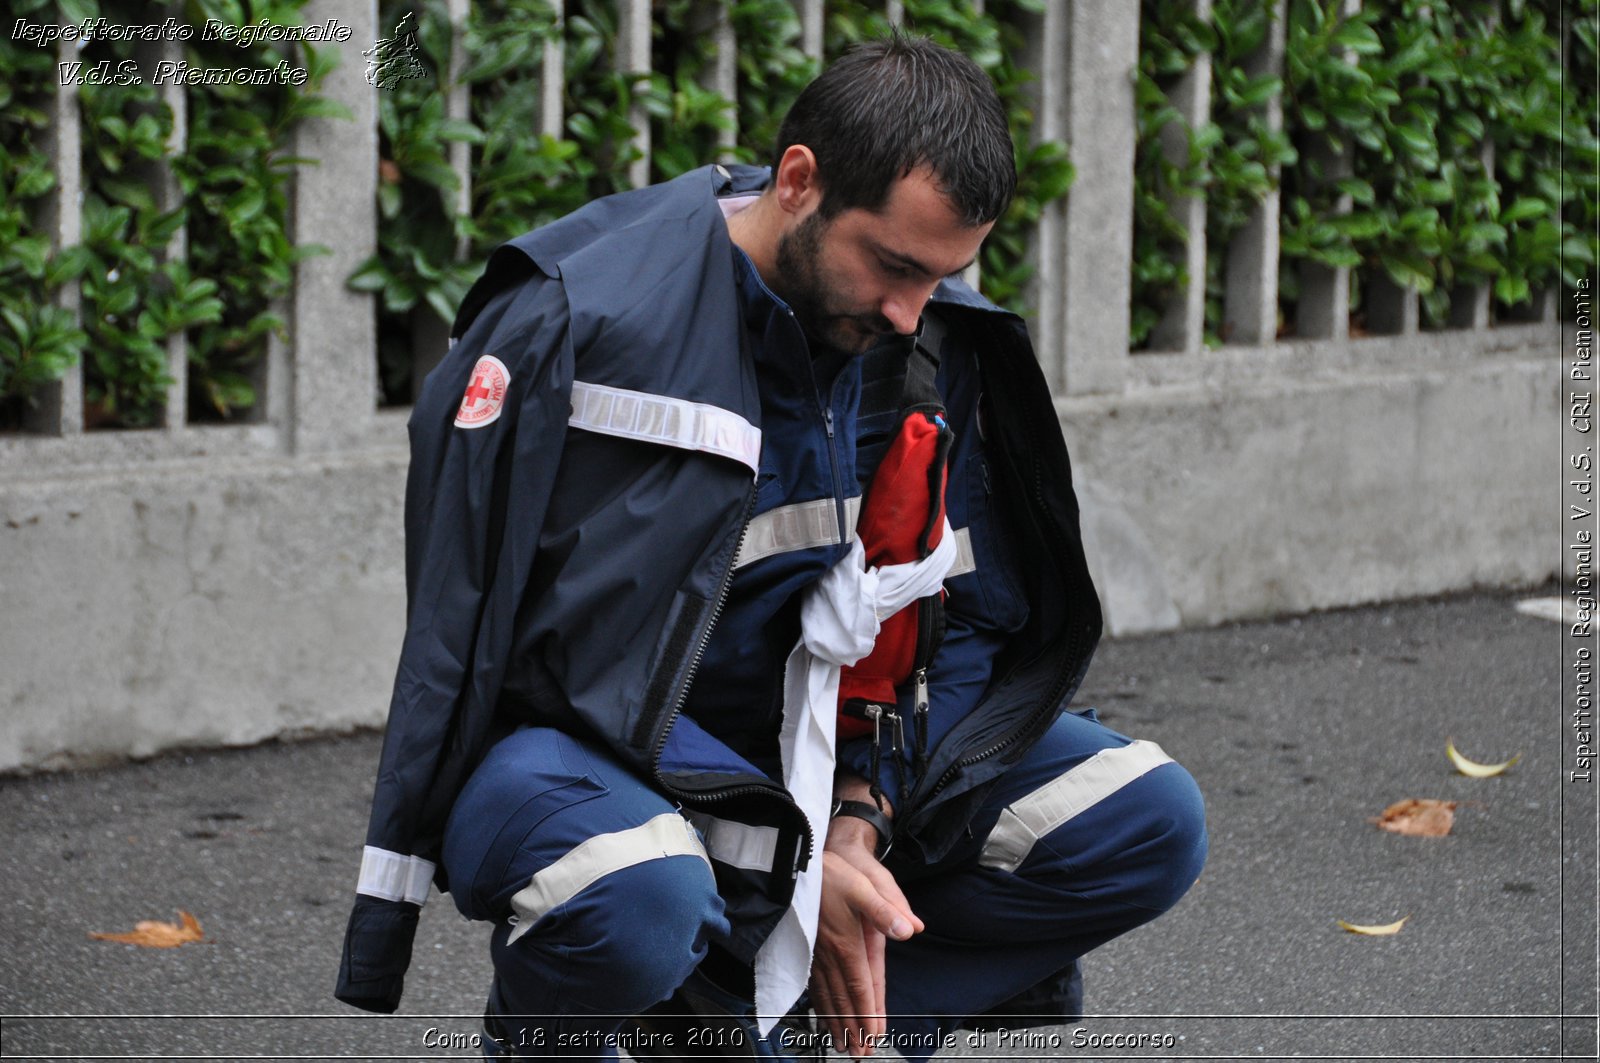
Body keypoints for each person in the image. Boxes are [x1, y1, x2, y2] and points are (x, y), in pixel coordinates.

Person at [334, 33, 1207, 1061]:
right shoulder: (577, 322)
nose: (910, 312)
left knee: (1146, 819)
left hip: (819, 773)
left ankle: (793, 1032)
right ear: (798, 180)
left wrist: (858, 817)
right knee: (636, 893)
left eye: (941, 276)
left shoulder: (919, 341)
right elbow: (517, 659)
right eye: (891, 265)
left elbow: (961, 620)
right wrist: (791, 863)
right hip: (589, 762)